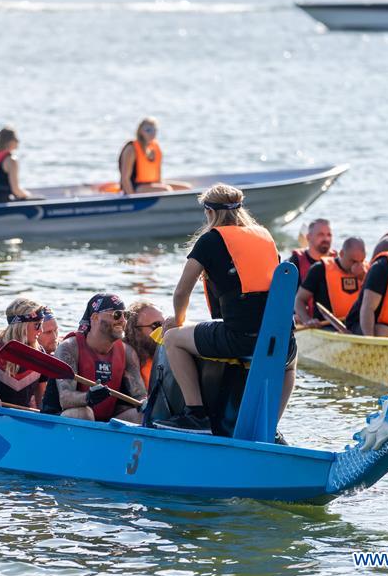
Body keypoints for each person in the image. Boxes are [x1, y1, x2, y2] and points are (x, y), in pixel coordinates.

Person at [157, 183, 295, 435]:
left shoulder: (210, 240)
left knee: (173, 339)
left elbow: (181, 291)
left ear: (210, 212)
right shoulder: (265, 236)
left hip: (240, 340)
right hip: (282, 341)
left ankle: (196, 415)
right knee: (289, 363)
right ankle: (270, 429)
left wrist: (177, 320)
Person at [45, 294, 146, 423]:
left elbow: (139, 395)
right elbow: (65, 399)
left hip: (106, 419)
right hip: (62, 419)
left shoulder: (127, 352)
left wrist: (144, 402)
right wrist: (89, 397)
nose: (122, 320)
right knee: (84, 413)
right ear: (95, 317)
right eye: (116, 314)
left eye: (125, 315)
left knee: (142, 415)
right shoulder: (69, 348)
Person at [294, 237, 367, 325]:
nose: (357, 266)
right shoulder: (319, 269)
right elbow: (299, 300)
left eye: (361, 261)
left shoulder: (367, 270)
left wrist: (364, 278)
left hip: (357, 324)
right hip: (327, 326)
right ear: (342, 253)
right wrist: (307, 320)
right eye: (353, 261)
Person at [118, 117, 191, 194]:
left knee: (187, 188)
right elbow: (125, 178)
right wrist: (132, 198)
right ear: (140, 132)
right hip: (136, 187)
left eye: (154, 130)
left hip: (151, 184)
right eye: (148, 130)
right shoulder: (131, 149)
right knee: (166, 190)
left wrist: (159, 185)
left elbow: (158, 179)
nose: (152, 133)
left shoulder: (155, 147)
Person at [123, 301, 164, 391]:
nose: (162, 331)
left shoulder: (169, 354)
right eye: (156, 325)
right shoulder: (126, 355)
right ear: (136, 331)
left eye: (164, 325)